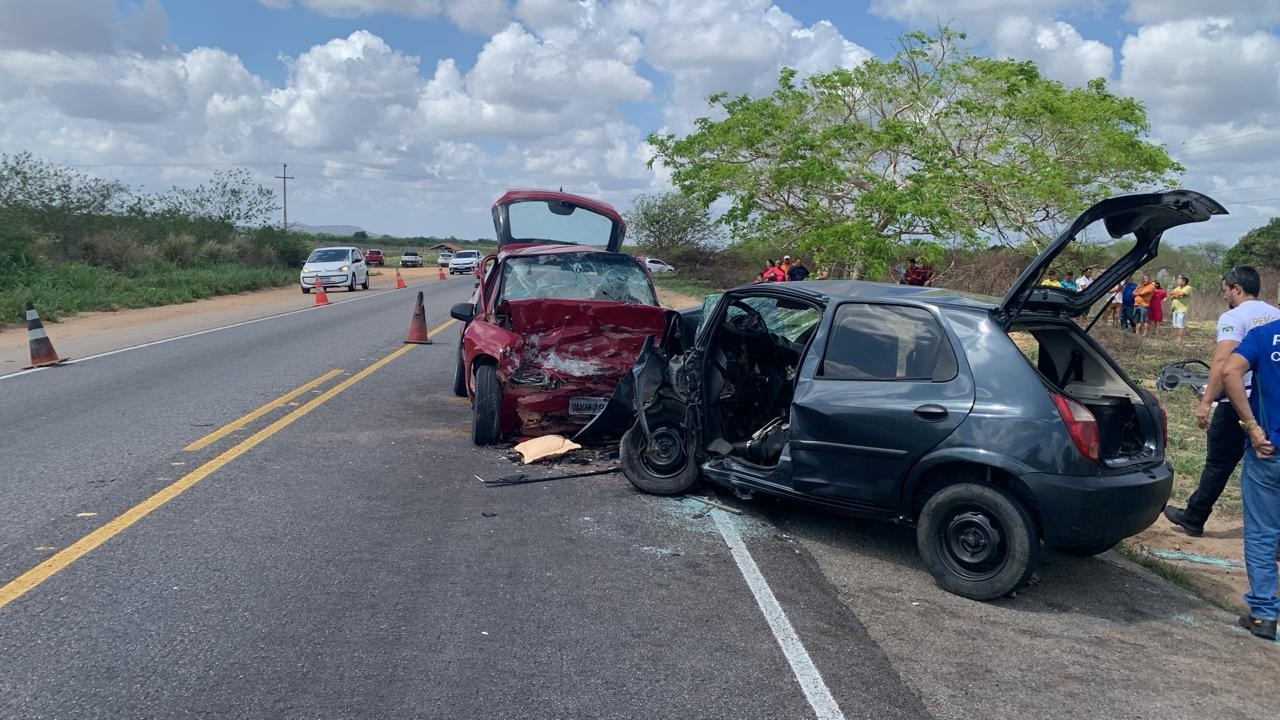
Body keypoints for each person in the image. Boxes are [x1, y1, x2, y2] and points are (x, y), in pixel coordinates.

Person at [1166, 267, 1280, 538]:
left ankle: (1194, 516)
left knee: (1219, 462)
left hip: (1237, 400)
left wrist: (1206, 402)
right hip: (1269, 402)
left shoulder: (1233, 317)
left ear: (1237, 288)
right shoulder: (1276, 315)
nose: (1225, 294)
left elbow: (1223, 363)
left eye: (1225, 289)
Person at [1217, 319, 1280, 641]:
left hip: (1269, 450)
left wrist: (1252, 427)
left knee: (1262, 533)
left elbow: (1229, 371)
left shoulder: (1265, 335)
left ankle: (1264, 615)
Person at [1168, 275, 1193, 342]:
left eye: (1179, 280)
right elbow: (1170, 292)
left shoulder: (1188, 287)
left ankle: (1180, 340)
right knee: (1175, 325)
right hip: (1175, 309)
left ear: (1184, 282)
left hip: (1182, 310)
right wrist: (1176, 294)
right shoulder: (1178, 287)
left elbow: (1181, 293)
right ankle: (1175, 339)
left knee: (1180, 325)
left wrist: (1175, 295)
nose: (1178, 282)